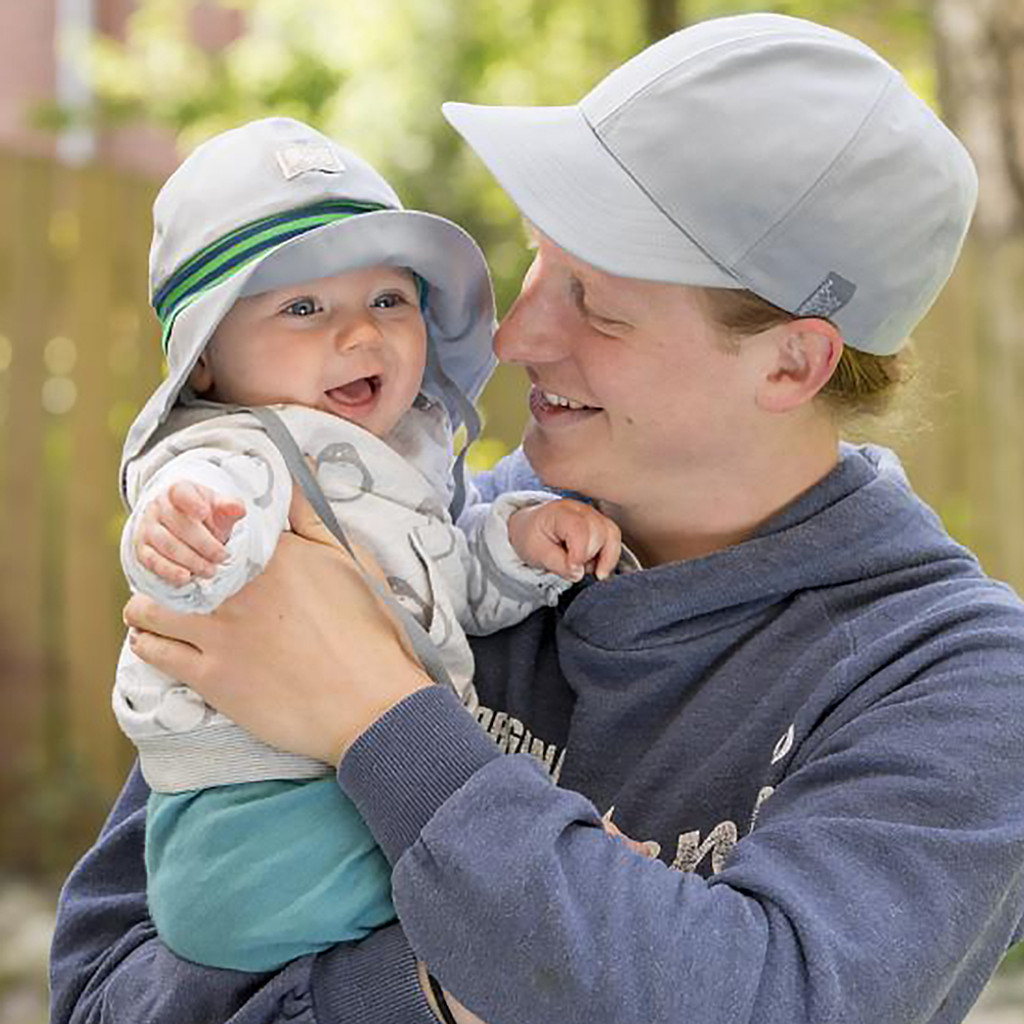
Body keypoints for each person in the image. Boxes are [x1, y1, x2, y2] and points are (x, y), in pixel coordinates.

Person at [51, 12, 1024, 1024]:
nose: (513, 337)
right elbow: (102, 989)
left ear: (792, 360)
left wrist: (376, 714)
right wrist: (446, 990)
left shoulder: (953, 681)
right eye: (535, 263)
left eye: (597, 304)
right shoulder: (408, 520)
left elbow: (769, 1001)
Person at [111, 117, 621, 972]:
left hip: (352, 777)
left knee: (450, 850)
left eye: (388, 299)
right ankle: (567, 886)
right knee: (466, 875)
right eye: (303, 308)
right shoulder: (241, 448)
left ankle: (547, 889)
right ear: (204, 361)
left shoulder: (401, 467)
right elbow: (207, 519)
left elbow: (442, 592)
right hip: (250, 807)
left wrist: (520, 546)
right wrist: (186, 527)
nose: (358, 333)